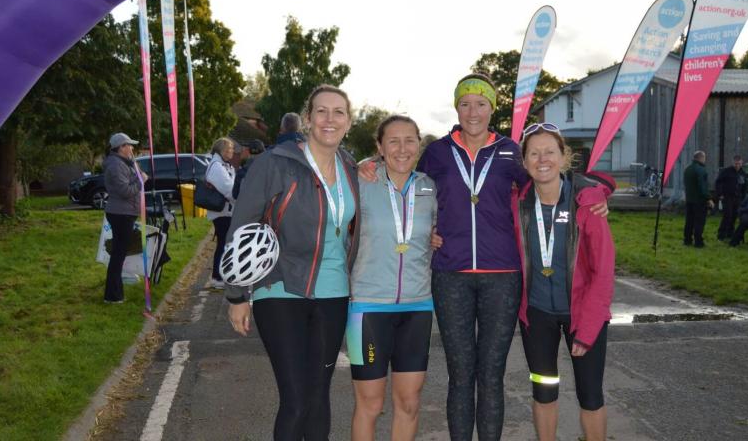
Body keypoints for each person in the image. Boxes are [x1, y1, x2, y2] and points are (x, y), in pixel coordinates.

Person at [357, 73, 607, 440]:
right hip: (451, 274)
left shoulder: (511, 152)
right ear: (456, 107)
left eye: (481, 103)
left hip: (502, 277)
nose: (472, 111)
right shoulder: (438, 152)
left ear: (493, 108)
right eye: (465, 103)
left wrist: (600, 188)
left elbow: (549, 176)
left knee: (491, 374)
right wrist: (368, 163)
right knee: (460, 373)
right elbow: (404, 175)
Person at [225, 84, 360, 440]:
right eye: (321, 111)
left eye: (339, 112)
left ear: (349, 122)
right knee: (296, 398)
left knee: (319, 397)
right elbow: (242, 224)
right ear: (308, 119)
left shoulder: (351, 167)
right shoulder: (276, 163)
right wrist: (237, 295)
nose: (330, 119)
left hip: (333, 293)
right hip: (281, 288)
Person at [514, 123, 615, 441]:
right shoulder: (516, 202)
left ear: (563, 156)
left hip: (584, 314)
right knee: (544, 390)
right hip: (537, 315)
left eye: (549, 152)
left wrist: (587, 331)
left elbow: (603, 272)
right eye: (534, 153)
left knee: (590, 394)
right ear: (525, 161)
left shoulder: (587, 202)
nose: (542, 159)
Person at [348, 115, 437, 441]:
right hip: (368, 309)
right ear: (380, 148)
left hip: (418, 307)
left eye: (409, 140)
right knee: (370, 405)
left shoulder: (429, 186)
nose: (402, 148)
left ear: (419, 144)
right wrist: (360, 164)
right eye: (393, 141)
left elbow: (439, 231)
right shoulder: (361, 182)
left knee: (409, 402)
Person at [102, 132, 147, 304]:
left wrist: (138, 174)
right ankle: (113, 295)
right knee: (118, 253)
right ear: (121, 147)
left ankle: (114, 292)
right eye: (129, 145)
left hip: (125, 212)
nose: (132, 148)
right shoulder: (115, 165)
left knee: (119, 253)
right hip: (121, 213)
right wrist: (140, 180)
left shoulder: (124, 162)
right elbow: (125, 191)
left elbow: (132, 181)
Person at [205, 137, 237, 290]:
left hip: (225, 211)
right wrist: (240, 198)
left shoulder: (223, 164)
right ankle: (217, 277)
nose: (232, 151)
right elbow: (228, 189)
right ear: (222, 150)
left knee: (224, 243)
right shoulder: (217, 166)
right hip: (222, 212)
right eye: (229, 149)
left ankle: (220, 275)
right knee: (223, 243)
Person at [683, 151, 713, 248]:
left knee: (689, 221)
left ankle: (687, 240)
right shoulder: (701, 170)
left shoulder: (687, 169)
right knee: (699, 221)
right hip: (699, 201)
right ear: (701, 158)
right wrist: (708, 199)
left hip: (689, 199)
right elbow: (702, 187)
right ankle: (698, 242)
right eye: (704, 158)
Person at [715, 155, 746, 241]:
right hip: (727, 196)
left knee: (734, 216)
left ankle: (730, 233)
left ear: (741, 163)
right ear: (733, 163)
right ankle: (721, 234)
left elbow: (744, 186)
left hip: (738, 197)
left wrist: (743, 196)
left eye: (739, 164)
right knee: (727, 215)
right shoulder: (726, 171)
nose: (737, 165)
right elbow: (718, 182)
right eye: (736, 164)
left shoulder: (743, 173)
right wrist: (720, 194)